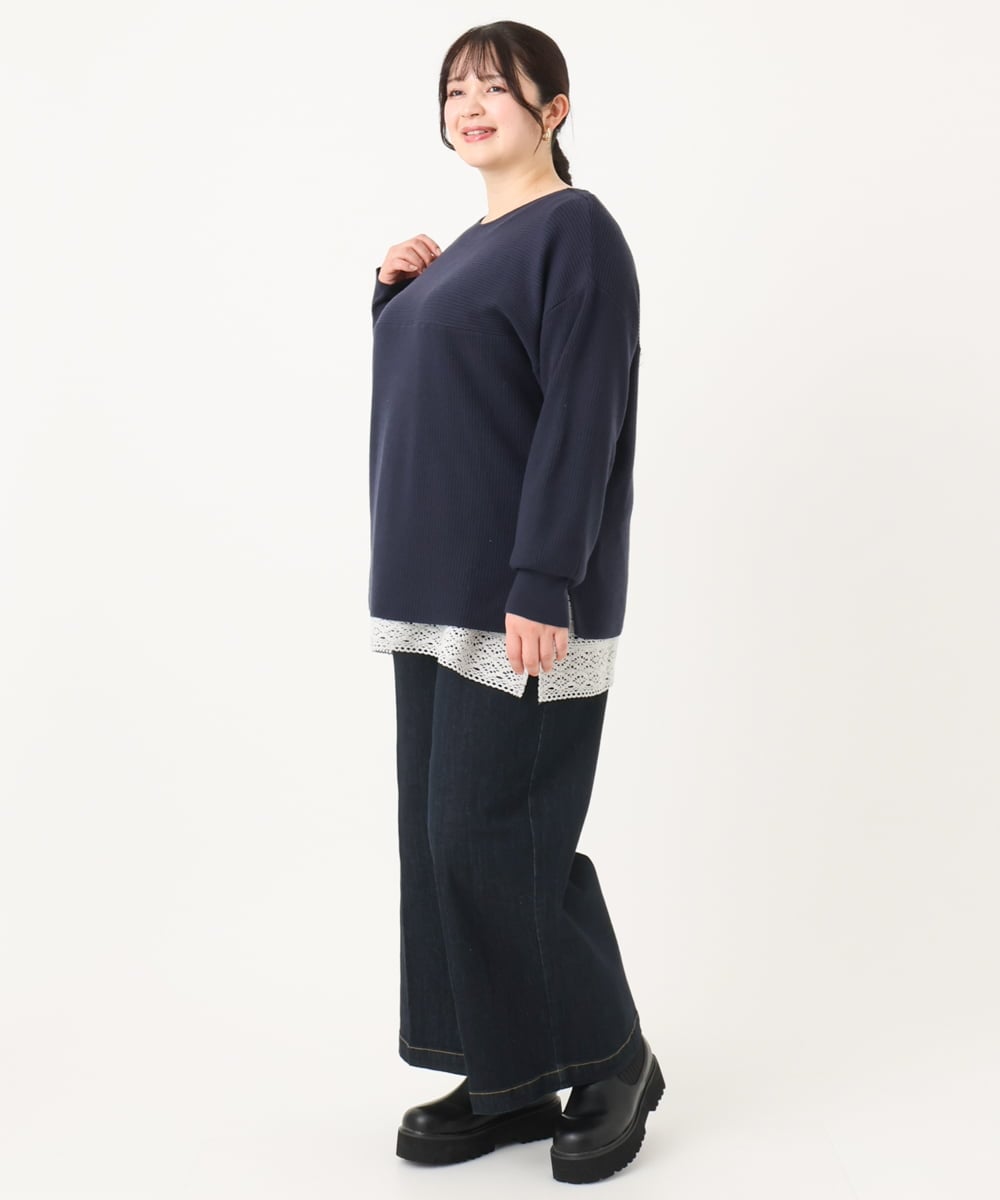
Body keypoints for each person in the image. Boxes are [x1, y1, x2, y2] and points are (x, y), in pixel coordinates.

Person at [367, 21, 664, 1185]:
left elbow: (582, 410)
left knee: (498, 836)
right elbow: (448, 407)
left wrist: (544, 576)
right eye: (455, 88)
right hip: (430, 592)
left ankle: (611, 1056)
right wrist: (393, 301)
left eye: (496, 85)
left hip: (521, 597)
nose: (471, 102)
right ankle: (509, 1074)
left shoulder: (573, 232)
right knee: (441, 843)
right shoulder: (459, 255)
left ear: (554, 109)